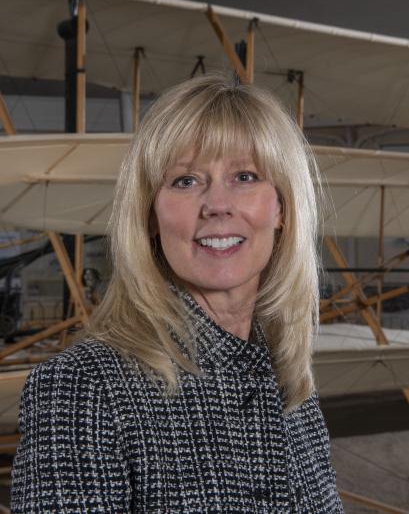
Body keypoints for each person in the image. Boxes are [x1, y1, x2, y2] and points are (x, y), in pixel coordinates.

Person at [11, 74, 344, 513]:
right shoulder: (82, 389)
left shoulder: (290, 383)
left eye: (245, 176)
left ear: (282, 208)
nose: (217, 204)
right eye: (185, 181)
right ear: (150, 214)